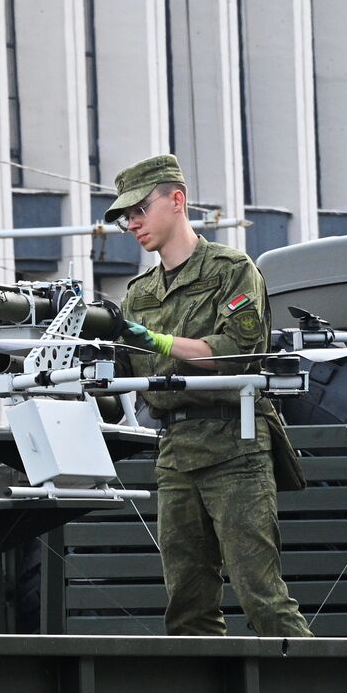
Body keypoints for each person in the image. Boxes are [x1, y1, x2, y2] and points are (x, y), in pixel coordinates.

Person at [103, 153, 312, 638]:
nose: (133, 224)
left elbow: (238, 353)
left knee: (262, 597)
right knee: (187, 608)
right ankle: (204, 691)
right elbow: (119, 377)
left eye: (140, 209)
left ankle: (316, 685)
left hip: (233, 445)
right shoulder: (138, 293)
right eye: (125, 216)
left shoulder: (231, 270)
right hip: (175, 452)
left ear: (177, 200)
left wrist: (158, 342)